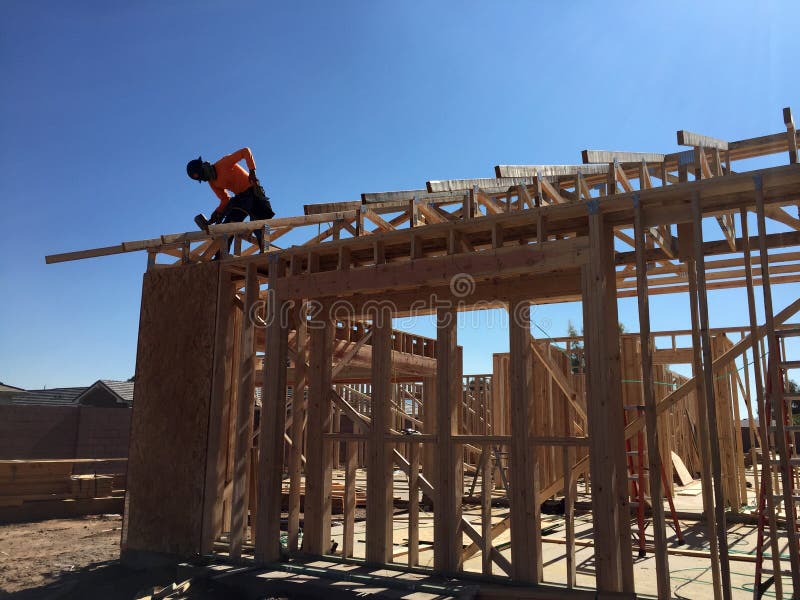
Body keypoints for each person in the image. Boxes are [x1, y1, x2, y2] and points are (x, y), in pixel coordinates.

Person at [186, 148, 275, 253]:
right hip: (241, 198)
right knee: (228, 225)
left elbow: (245, 151)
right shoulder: (212, 183)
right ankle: (221, 255)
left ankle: (265, 251)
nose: (205, 179)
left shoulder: (224, 163)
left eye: (203, 176)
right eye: (202, 179)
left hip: (253, 191)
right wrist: (217, 213)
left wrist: (252, 171)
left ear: (204, 168)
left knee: (259, 224)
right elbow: (225, 199)